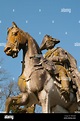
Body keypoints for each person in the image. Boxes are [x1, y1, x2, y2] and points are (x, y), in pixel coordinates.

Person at [40, 34, 80, 103]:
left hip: (57, 66)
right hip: (47, 67)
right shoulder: (45, 55)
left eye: (50, 41)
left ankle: (66, 89)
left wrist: (54, 58)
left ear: (53, 42)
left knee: (61, 70)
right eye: (47, 42)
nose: (49, 43)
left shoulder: (58, 49)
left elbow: (65, 58)